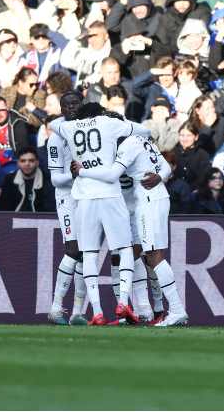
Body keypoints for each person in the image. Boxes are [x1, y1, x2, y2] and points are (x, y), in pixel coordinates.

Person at [50, 103, 151, 325]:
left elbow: (51, 123)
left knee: (89, 254)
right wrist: (122, 125)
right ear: (99, 113)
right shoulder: (109, 123)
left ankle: (96, 311)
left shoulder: (69, 127)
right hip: (110, 195)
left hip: (84, 198)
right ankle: (123, 302)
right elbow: (145, 131)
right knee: (124, 249)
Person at [73, 133, 188, 326]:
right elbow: (166, 166)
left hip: (148, 200)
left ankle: (176, 309)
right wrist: (160, 176)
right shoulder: (141, 139)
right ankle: (145, 310)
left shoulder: (126, 146)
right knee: (137, 253)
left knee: (153, 255)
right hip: (155, 197)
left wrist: (82, 171)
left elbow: (112, 175)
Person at [46, 92, 87, 326]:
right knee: (73, 249)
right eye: (67, 105)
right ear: (61, 108)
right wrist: (74, 175)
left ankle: (77, 312)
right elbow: (54, 179)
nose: (72, 107)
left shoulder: (87, 130)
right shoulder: (56, 138)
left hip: (88, 197)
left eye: (76, 103)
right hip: (67, 198)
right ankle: (55, 307)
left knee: (86, 251)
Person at [0, 147, 55, 212]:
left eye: (31, 161)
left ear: (37, 163)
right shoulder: (9, 180)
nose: (27, 164)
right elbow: (3, 210)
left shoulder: (47, 181)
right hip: (15, 220)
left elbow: (50, 210)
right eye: (23, 161)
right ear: (18, 163)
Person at [171, 120, 211, 188]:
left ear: (196, 137)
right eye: (182, 135)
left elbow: (203, 178)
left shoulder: (203, 155)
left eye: (189, 135)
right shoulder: (173, 152)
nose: (185, 139)